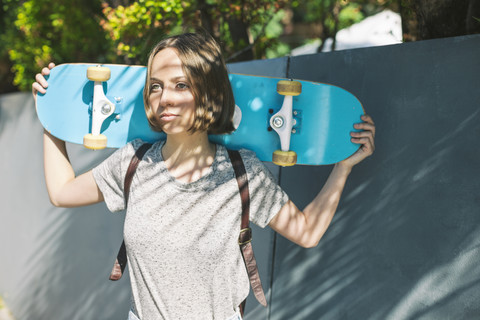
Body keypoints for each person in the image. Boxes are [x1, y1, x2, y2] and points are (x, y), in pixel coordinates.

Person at [32, 32, 375, 320]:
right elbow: (62, 192)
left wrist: (343, 167)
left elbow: (307, 232)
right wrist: (53, 116)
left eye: (180, 85)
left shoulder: (242, 172)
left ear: (209, 94)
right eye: (155, 87)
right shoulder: (133, 162)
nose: (164, 98)